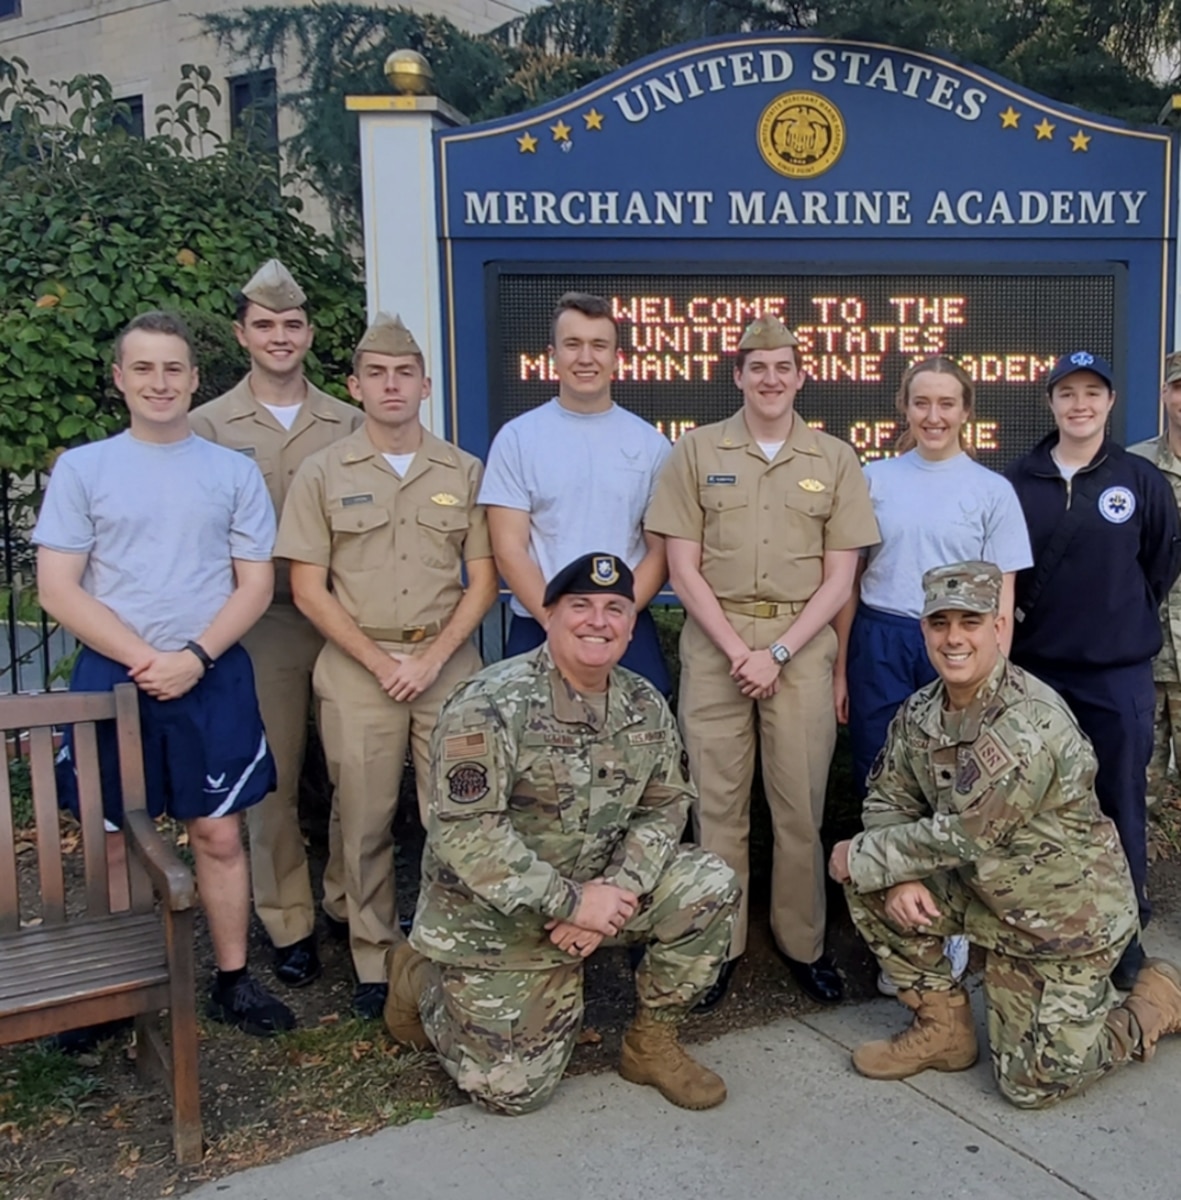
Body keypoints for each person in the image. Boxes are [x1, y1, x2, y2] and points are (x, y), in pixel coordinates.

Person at [383, 553, 739, 1115]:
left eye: (615, 609)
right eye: (581, 606)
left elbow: (666, 805)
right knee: (514, 1092)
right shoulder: (490, 703)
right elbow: (469, 837)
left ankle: (651, 1043)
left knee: (709, 883)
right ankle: (423, 979)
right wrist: (574, 903)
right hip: (498, 914)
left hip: (600, 893)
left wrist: (617, 891)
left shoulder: (643, 702)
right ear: (547, 615)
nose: (598, 620)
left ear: (629, 624)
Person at [828, 561, 1181, 1108]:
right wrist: (894, 878)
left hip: (1062, 921)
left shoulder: (1028, 723)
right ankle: (943, 1027)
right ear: (923, 630)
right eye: (939, 623)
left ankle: (1150, 1004)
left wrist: (867, 853)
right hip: (983, 895)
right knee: (871, 882)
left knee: (1034, 1083)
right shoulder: (921, 712)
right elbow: (889, 798)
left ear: (997, 627)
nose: (953, 638)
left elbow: (964, 836)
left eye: (969, 622)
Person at [34, 310, 295, 1037]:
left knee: (217, 833)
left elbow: (253, 584)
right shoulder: (85, 469)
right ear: (120, 378)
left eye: (172, 368)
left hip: (208, 675)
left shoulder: (232, 472)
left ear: (193, 378)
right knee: (115, 834)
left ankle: (233, 981)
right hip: (114, 676)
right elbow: (58, 588)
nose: (159, 382)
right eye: (143, 368)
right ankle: (117, 988)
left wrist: (194, 658)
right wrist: (145, 659)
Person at [645, 314, 880, 1010]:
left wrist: (776, 652)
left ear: (800, 376)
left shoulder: (833, 459)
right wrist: (736, 651)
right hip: (716, 641)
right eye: (757, 367)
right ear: (738, 375)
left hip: (799, 645)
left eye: (782, 367)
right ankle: (717, 945)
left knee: (798, 805)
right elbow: (680, 569)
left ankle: (802, 942)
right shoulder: (693, 451)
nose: (770, 379)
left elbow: (841, 577)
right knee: (715, 806)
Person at [276, 313, 497, 1018]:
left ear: (425, 385)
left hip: (446, 660)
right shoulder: (322, 472)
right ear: (355, 386)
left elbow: (484, 579)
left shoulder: (461, 470)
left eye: (404, 373)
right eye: (377, 374)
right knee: (364, 815)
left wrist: (431, 658)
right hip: (356, 661)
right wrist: (379, 661)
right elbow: (307, 587)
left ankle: (449, 942)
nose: (391, 385)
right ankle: (374, 955)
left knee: (456, 812)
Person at [832, 356, 1031, 997]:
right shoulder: (873, 479)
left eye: (947, 403)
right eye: (922, 403)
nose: (934, 416)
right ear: (905, 408)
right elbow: (849, 581)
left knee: (956, 785)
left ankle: (949, 925)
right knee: (884, 778)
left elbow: (1002, 594)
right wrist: (840, 665)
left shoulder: (991, 491)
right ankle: (895, 926)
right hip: (885, 637)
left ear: (966, 411)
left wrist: (994, 668)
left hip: (959, 644)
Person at [190, 258, 363, 989]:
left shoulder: (350, 421)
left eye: (292, 324)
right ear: (242, 334)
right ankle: (287, 921)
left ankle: (350, 903)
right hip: (264, 624)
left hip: (346, 616)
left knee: (358, 775)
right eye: (265, 325)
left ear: (309, 333)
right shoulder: (206, 427)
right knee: (273, 783)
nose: (280, 336)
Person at [1005, 351, 1181, 989]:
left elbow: (1159, 568)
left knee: (1120, 806)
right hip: (1037, 676)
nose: (1079, 405)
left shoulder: (1140, 481)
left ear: (1110, 403)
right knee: (1035, 808)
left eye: (1092, 393)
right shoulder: (1018, 481)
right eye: (1067, 393)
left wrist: (1117, 621)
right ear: (1050, 402)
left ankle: (1125, 937)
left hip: (1116, 678)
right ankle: (1042, 931)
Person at [479, 291, 673, 693]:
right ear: (553, 355)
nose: (586, 358)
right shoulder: (517, 439)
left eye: (598, 345)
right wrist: (557, 620)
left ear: (616, 358)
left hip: (626, 628)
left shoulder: (651, 445)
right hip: (539, 623)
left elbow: (660, 550)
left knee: (638, 748)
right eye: (573, 344)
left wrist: (613, 615)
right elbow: (509, 548)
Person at [1128, 350, 1181, 806]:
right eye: (1179, 387)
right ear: (1165, 394)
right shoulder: (1136, 466)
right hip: (1146, 653)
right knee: (1137, 789)